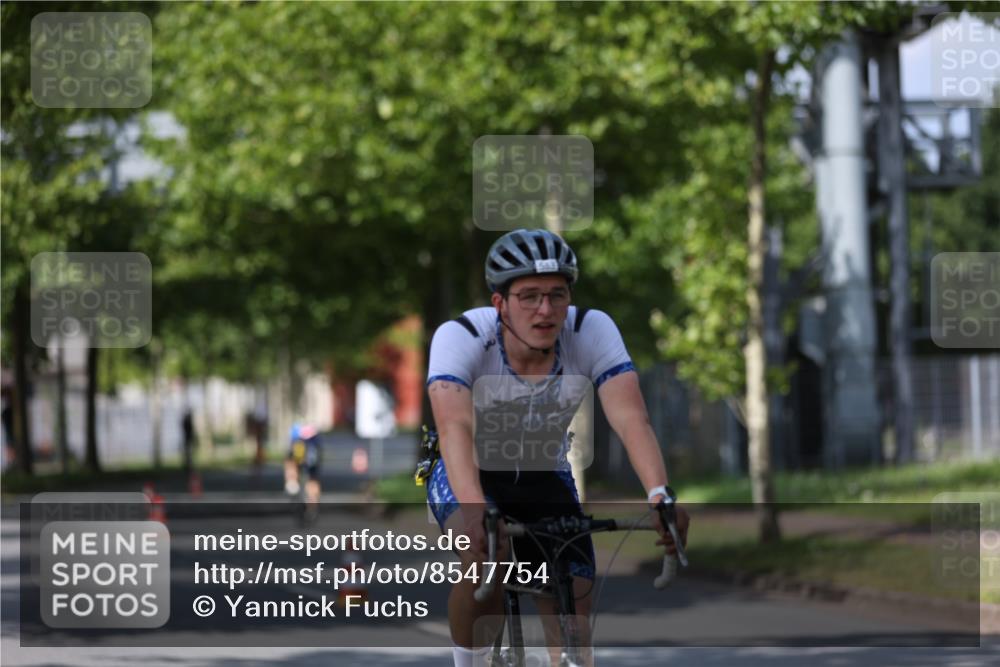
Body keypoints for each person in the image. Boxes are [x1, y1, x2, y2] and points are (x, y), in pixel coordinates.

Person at [424, 228, 690, 667]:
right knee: (487, 558)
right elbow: (454, 427)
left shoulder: (590, 329)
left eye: (557, 295)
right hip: (467, 469)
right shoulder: (462, 335)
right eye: (528, 296)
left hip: (543, 470)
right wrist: (474, 511)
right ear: (500, 304)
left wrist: (660, 494)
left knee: (575, 600)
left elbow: (630, 417)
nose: (545, 310)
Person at [284, 422, 322, 517]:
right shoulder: (313, 436)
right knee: (313, 479)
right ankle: (312, 504)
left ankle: (292, 483)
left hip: (303, 455)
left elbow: (291, 458)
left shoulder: (296, 434)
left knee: (291, 464)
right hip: (312, 457)